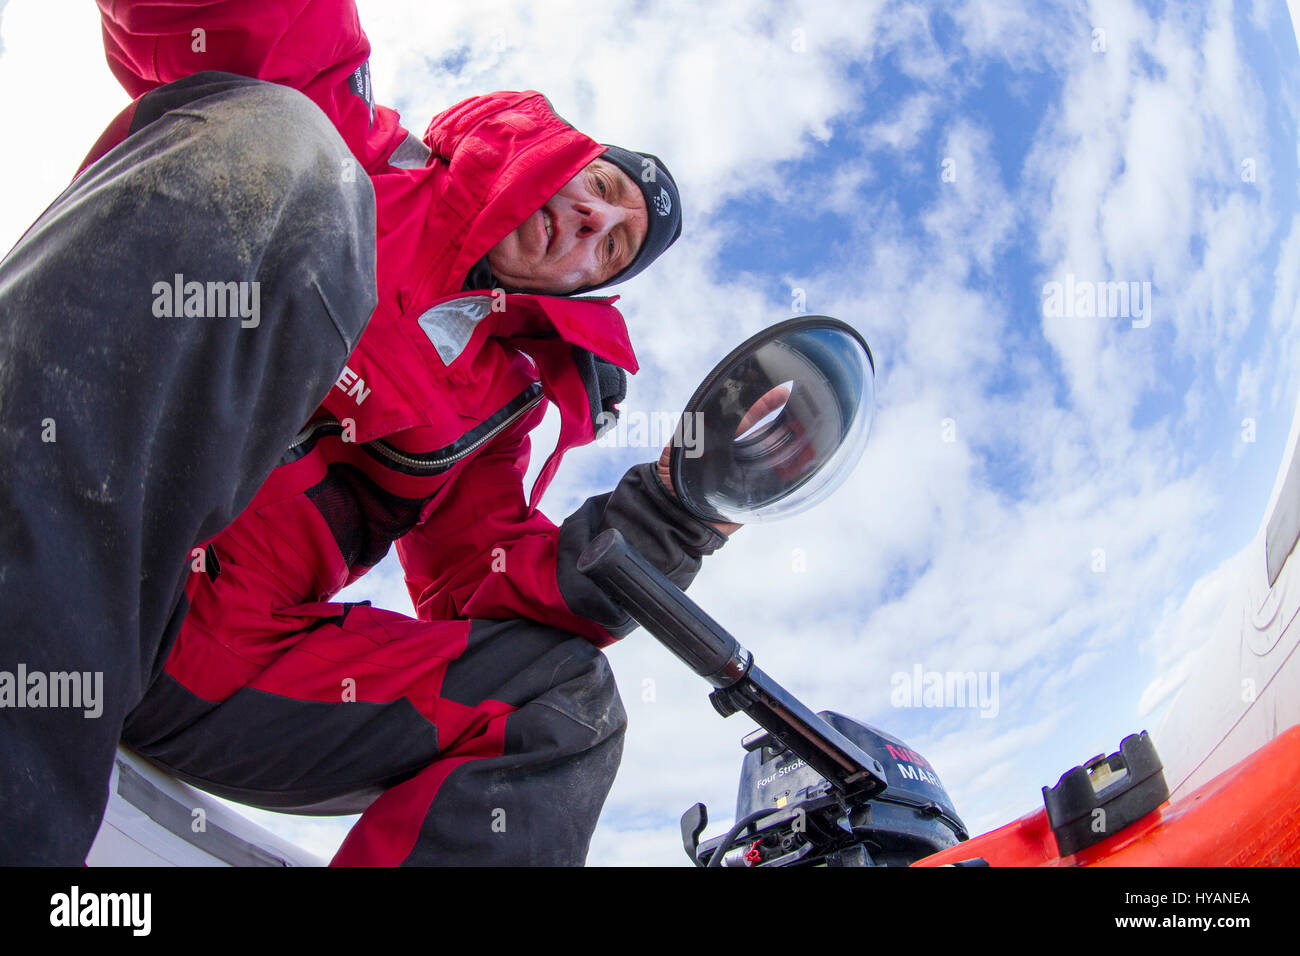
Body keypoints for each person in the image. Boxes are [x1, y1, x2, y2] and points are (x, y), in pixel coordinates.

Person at [0, 0, 736, 865]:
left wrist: (684, 506)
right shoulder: (359, 142)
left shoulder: (500, 403)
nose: (592, 226)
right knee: (282, 138)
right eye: (603, 192)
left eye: (612, 251)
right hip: (69, 519)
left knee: (564, 701)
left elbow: (489, 583)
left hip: (210, 661)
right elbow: (249, 21)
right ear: (563, 157)